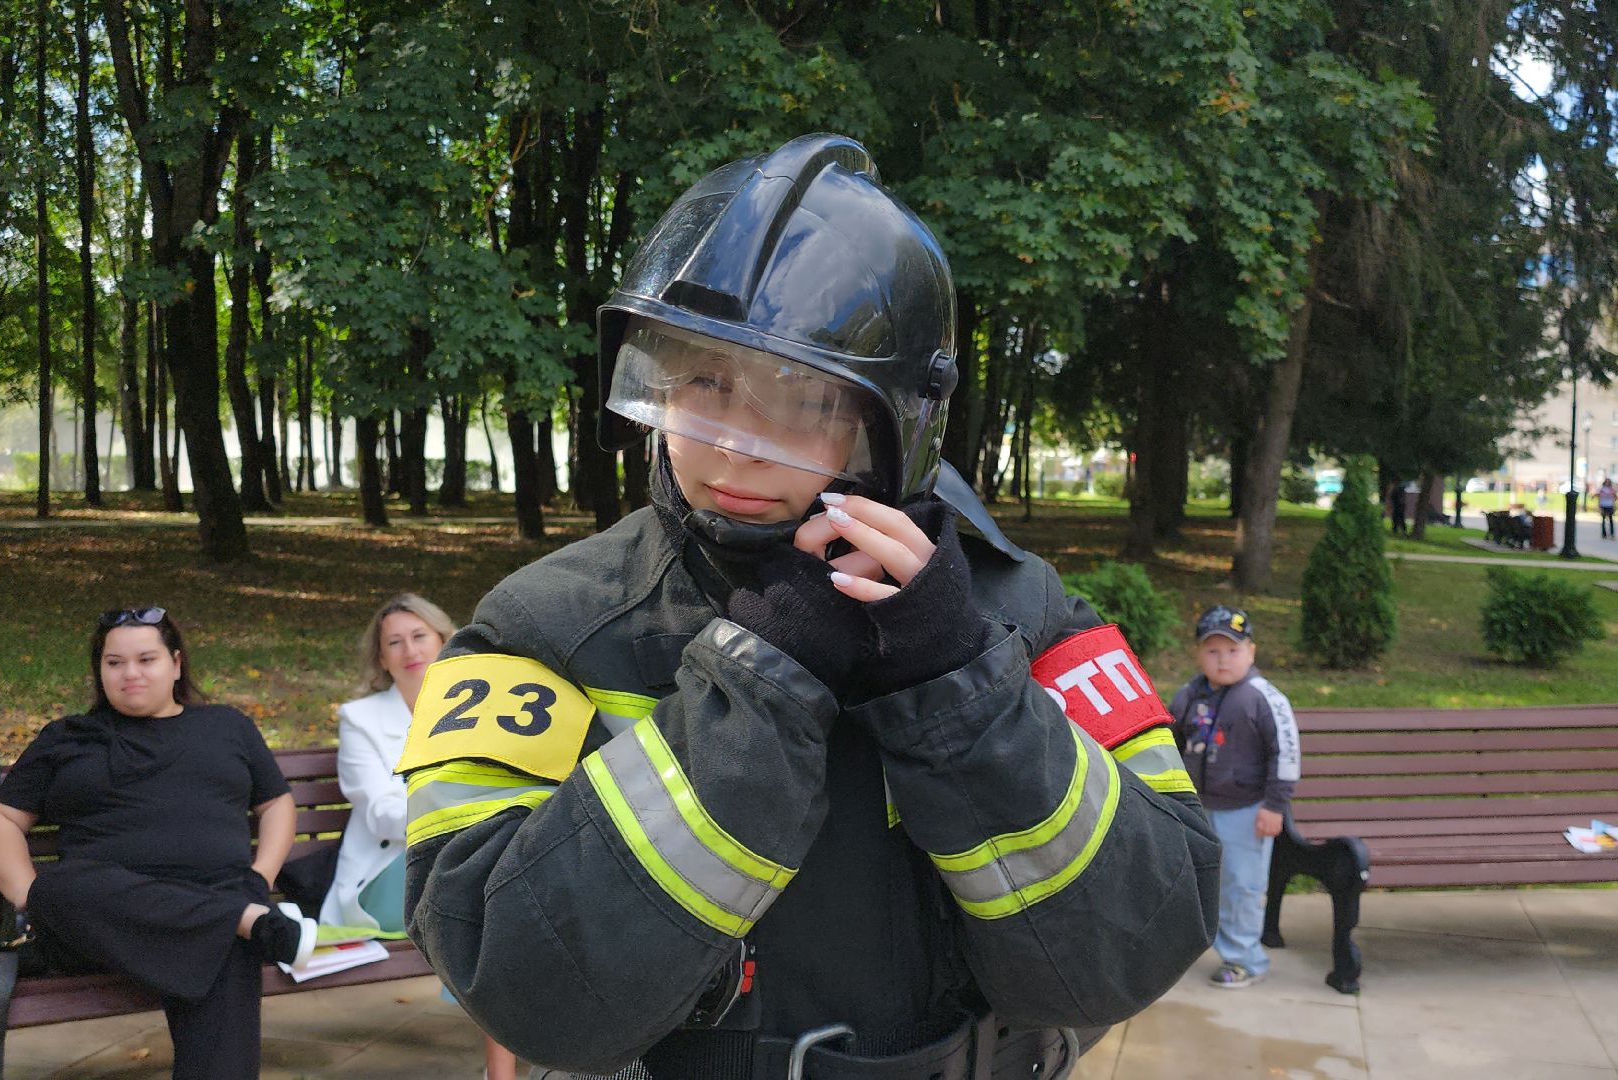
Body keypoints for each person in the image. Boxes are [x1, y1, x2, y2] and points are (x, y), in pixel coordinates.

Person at [399, 134, 1218, 1080]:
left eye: (801, 397)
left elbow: (1137, 947)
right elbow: (519, 988)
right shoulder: (545, 629)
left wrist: (962, 686)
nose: (736, 446)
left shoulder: (1021, 612)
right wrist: (761, 686)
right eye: (703, 382)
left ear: (896, 422)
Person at [0, 607, 318, 1080]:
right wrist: (25, 894)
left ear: (176, 664)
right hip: (104, 916)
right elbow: (2, 820)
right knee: (58, 888)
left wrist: (259, 876)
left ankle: (234, 919)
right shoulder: (68, 738)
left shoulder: (227, 727)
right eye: (114, 662)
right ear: (100, 671)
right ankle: (240, 921)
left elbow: (277, 803)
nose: (130, 673)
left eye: (146, 659)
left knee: (221, 944)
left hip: (218, 896)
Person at [321, 593, 520, 1080]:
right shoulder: (361, 720)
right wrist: (465, 805)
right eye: (394, 642)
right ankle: (504, 1072)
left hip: (463, 859)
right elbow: (383, 817)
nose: (410, 650)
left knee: (496, 883)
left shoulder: (479, 708)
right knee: (484, 894)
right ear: (382, 658)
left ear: (444, 642)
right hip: (389, 880)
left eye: (419, 637)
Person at [1168, 606, 1300, 990]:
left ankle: (1245, 959)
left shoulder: (1264, 698)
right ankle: (1186, 947)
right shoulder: (1189, 695)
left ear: (1251, 652)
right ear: (1198, 654)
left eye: (1233, 650)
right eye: (1212, 651)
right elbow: (1170, 743)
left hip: (1246, 810)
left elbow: (1286, 755)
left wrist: (1275, 806)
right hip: (1197, 808)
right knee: (1195, 882)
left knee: (1242, 885)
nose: (1223, 659)